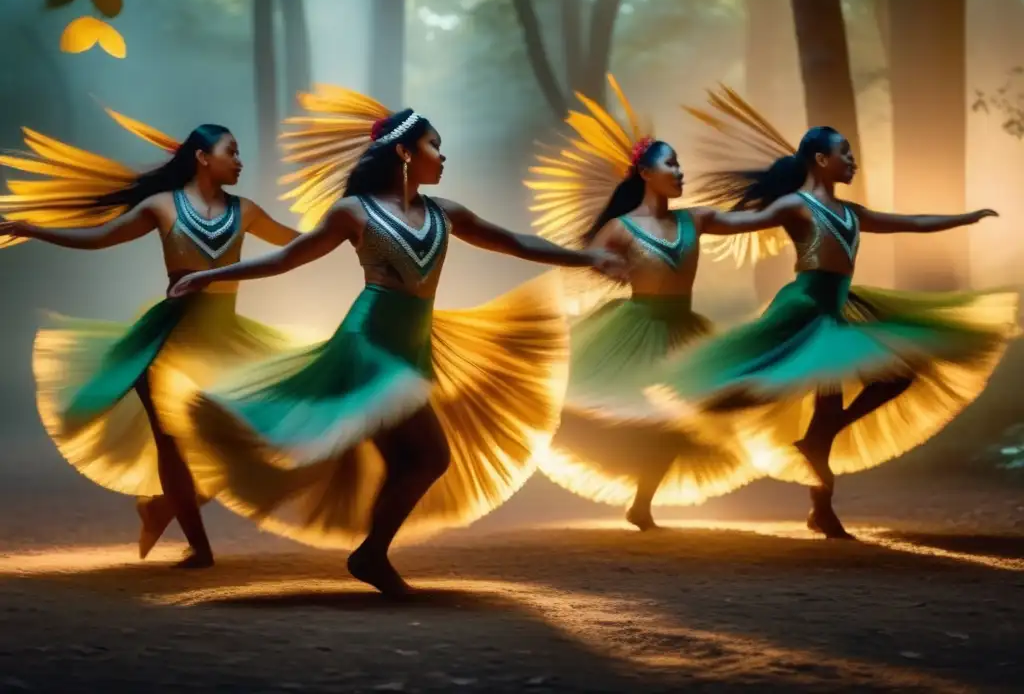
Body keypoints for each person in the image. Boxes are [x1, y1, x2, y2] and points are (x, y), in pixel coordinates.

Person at [168, 85, 627, 595]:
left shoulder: (443, 211)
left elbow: (515, 242)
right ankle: (368, 554)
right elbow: (287, 257)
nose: (443, 154)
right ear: (405, 152)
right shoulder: (354, 211)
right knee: (426, 456)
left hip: (413, 342)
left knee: (416, 459)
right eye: (434, 144)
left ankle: (369, 553)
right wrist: (207, 276)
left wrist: (588, 259)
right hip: (370, 343)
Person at [647, 87, 1019, 538]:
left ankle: (820, 469)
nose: (852, 160)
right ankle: (807, 487)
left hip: (840, 307)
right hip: (806, 306)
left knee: (894, 378)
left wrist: (963, 218)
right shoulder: (795, 206)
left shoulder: (851, 212)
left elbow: (910, 223)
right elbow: (735, 224)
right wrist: (679, 223)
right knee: (790, 398)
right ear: (822, 161)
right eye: (845, 153)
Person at [0, 109, 308, 568]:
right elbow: (100, 238)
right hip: (167, 338)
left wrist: (361, 230)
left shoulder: (246, 212)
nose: (240, 161)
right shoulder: (162, 206)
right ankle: (199, 548)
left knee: (260, 439)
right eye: (232, 152)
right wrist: (34, 230)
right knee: (173, 442)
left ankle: (163, 506)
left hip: (225, 339)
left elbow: (298, 243)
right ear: (203, 158)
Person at [524, 74, 789, 529]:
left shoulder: (697, 219)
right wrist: (605, 266)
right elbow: (586, 262)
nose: (681, 173)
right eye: (672, 165)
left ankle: (642, 501)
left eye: (681, 166)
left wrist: (790, 190)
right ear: (646, 174)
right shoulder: (621, 227)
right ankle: (570, 471)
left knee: (687, 418)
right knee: (610, 410)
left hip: (683, 331)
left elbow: (754, 220)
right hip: (632, 329)